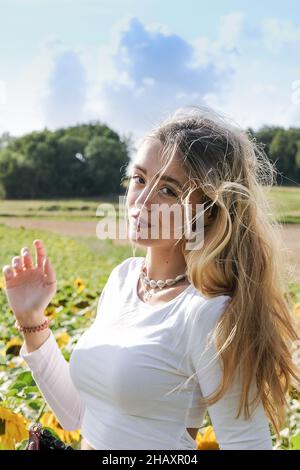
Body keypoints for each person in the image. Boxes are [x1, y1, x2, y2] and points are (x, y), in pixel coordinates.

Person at [2, 105, 299, 450]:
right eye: (139, 179)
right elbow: (81, 416)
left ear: (207, 210)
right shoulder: (123, 280)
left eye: (169, 190)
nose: (141, 201)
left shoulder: (208, 314)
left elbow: (248, 444)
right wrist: (31, 320)